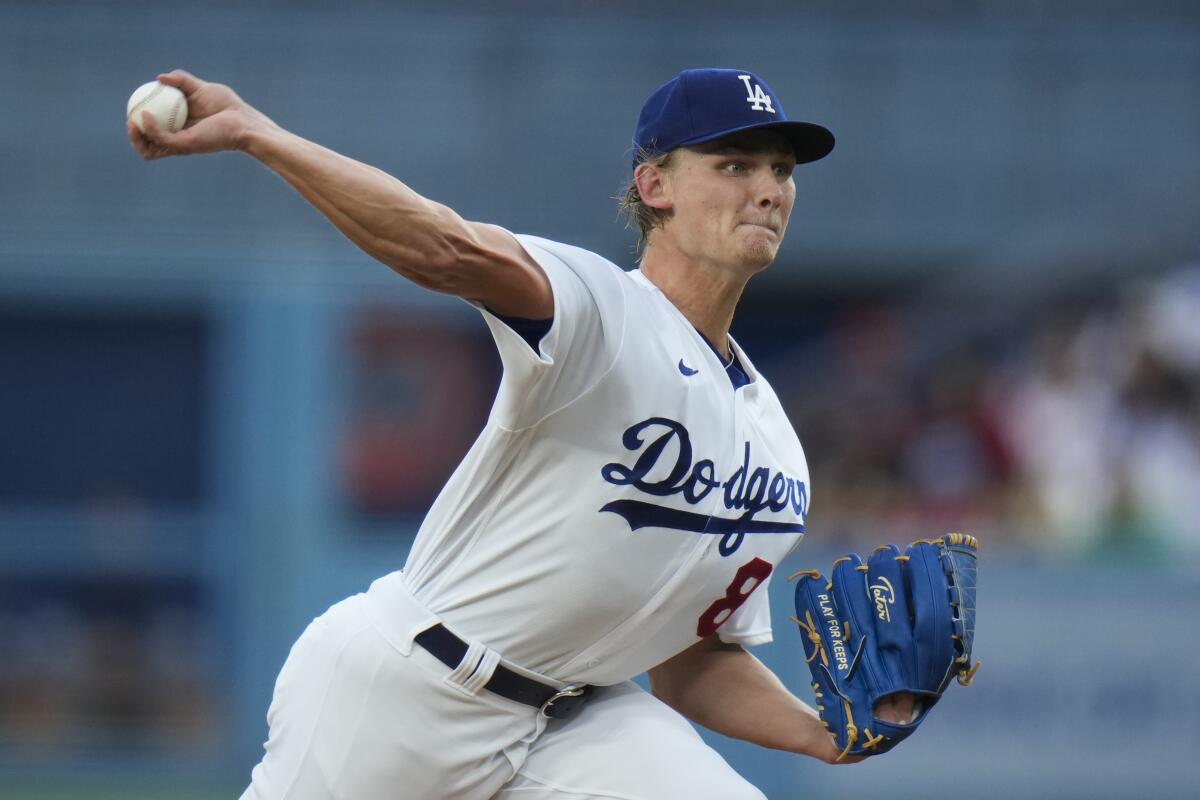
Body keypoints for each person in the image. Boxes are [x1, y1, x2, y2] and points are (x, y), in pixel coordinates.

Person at [130, 66, 912, 800]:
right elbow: (443, 246)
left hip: (576, 718)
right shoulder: (599, 311)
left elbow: (690, 661)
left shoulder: (771, 440)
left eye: (782, 169)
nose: (769, 189)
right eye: (736, 165)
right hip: (409, 689)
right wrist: (259, 134)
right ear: (655, 186)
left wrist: (824, 735)